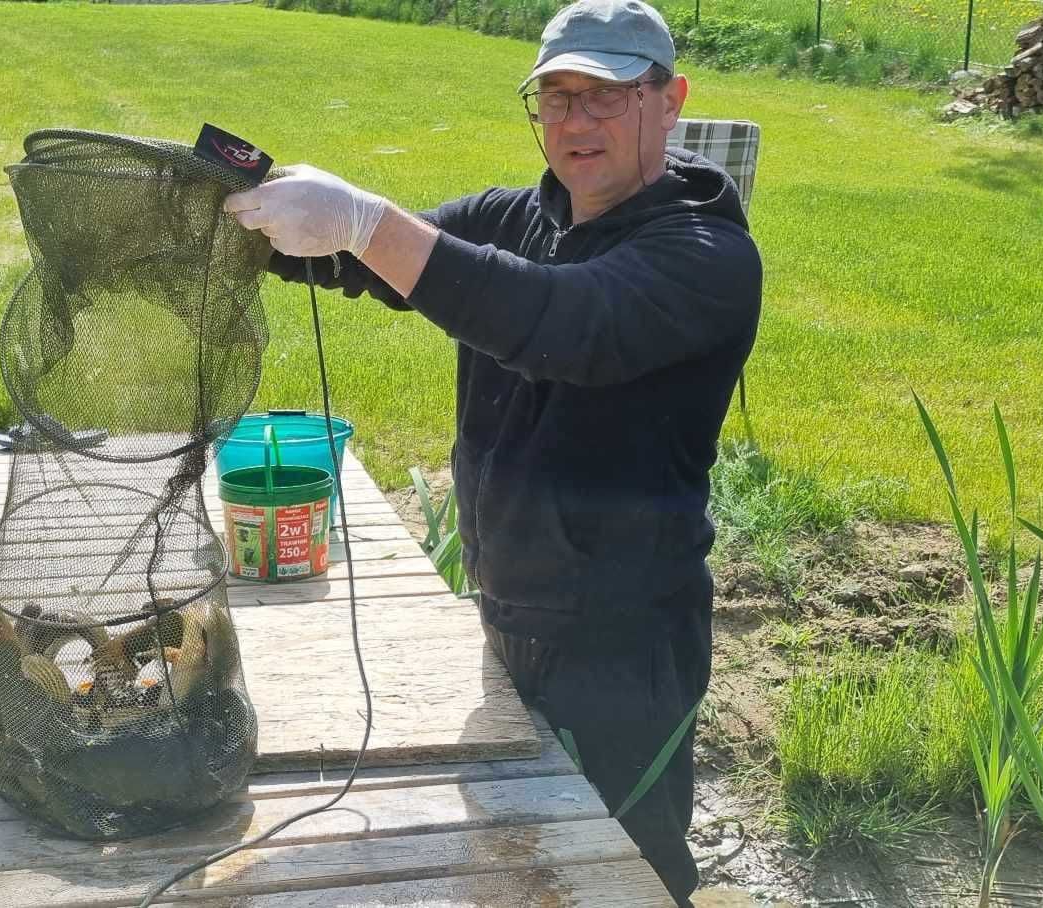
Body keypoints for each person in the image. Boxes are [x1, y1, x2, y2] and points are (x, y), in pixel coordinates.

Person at [222, 0, 761, 902]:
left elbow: (564, 325)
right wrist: (251, 207)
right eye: (555, 97)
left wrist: (364, 219)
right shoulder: (517, 218)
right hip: (509, 614)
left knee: (625, 868)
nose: (576, 121)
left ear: (669, 101)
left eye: (607, 95)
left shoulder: (705, 254)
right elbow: (368, 261)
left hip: (623, 643)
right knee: (518, 858)